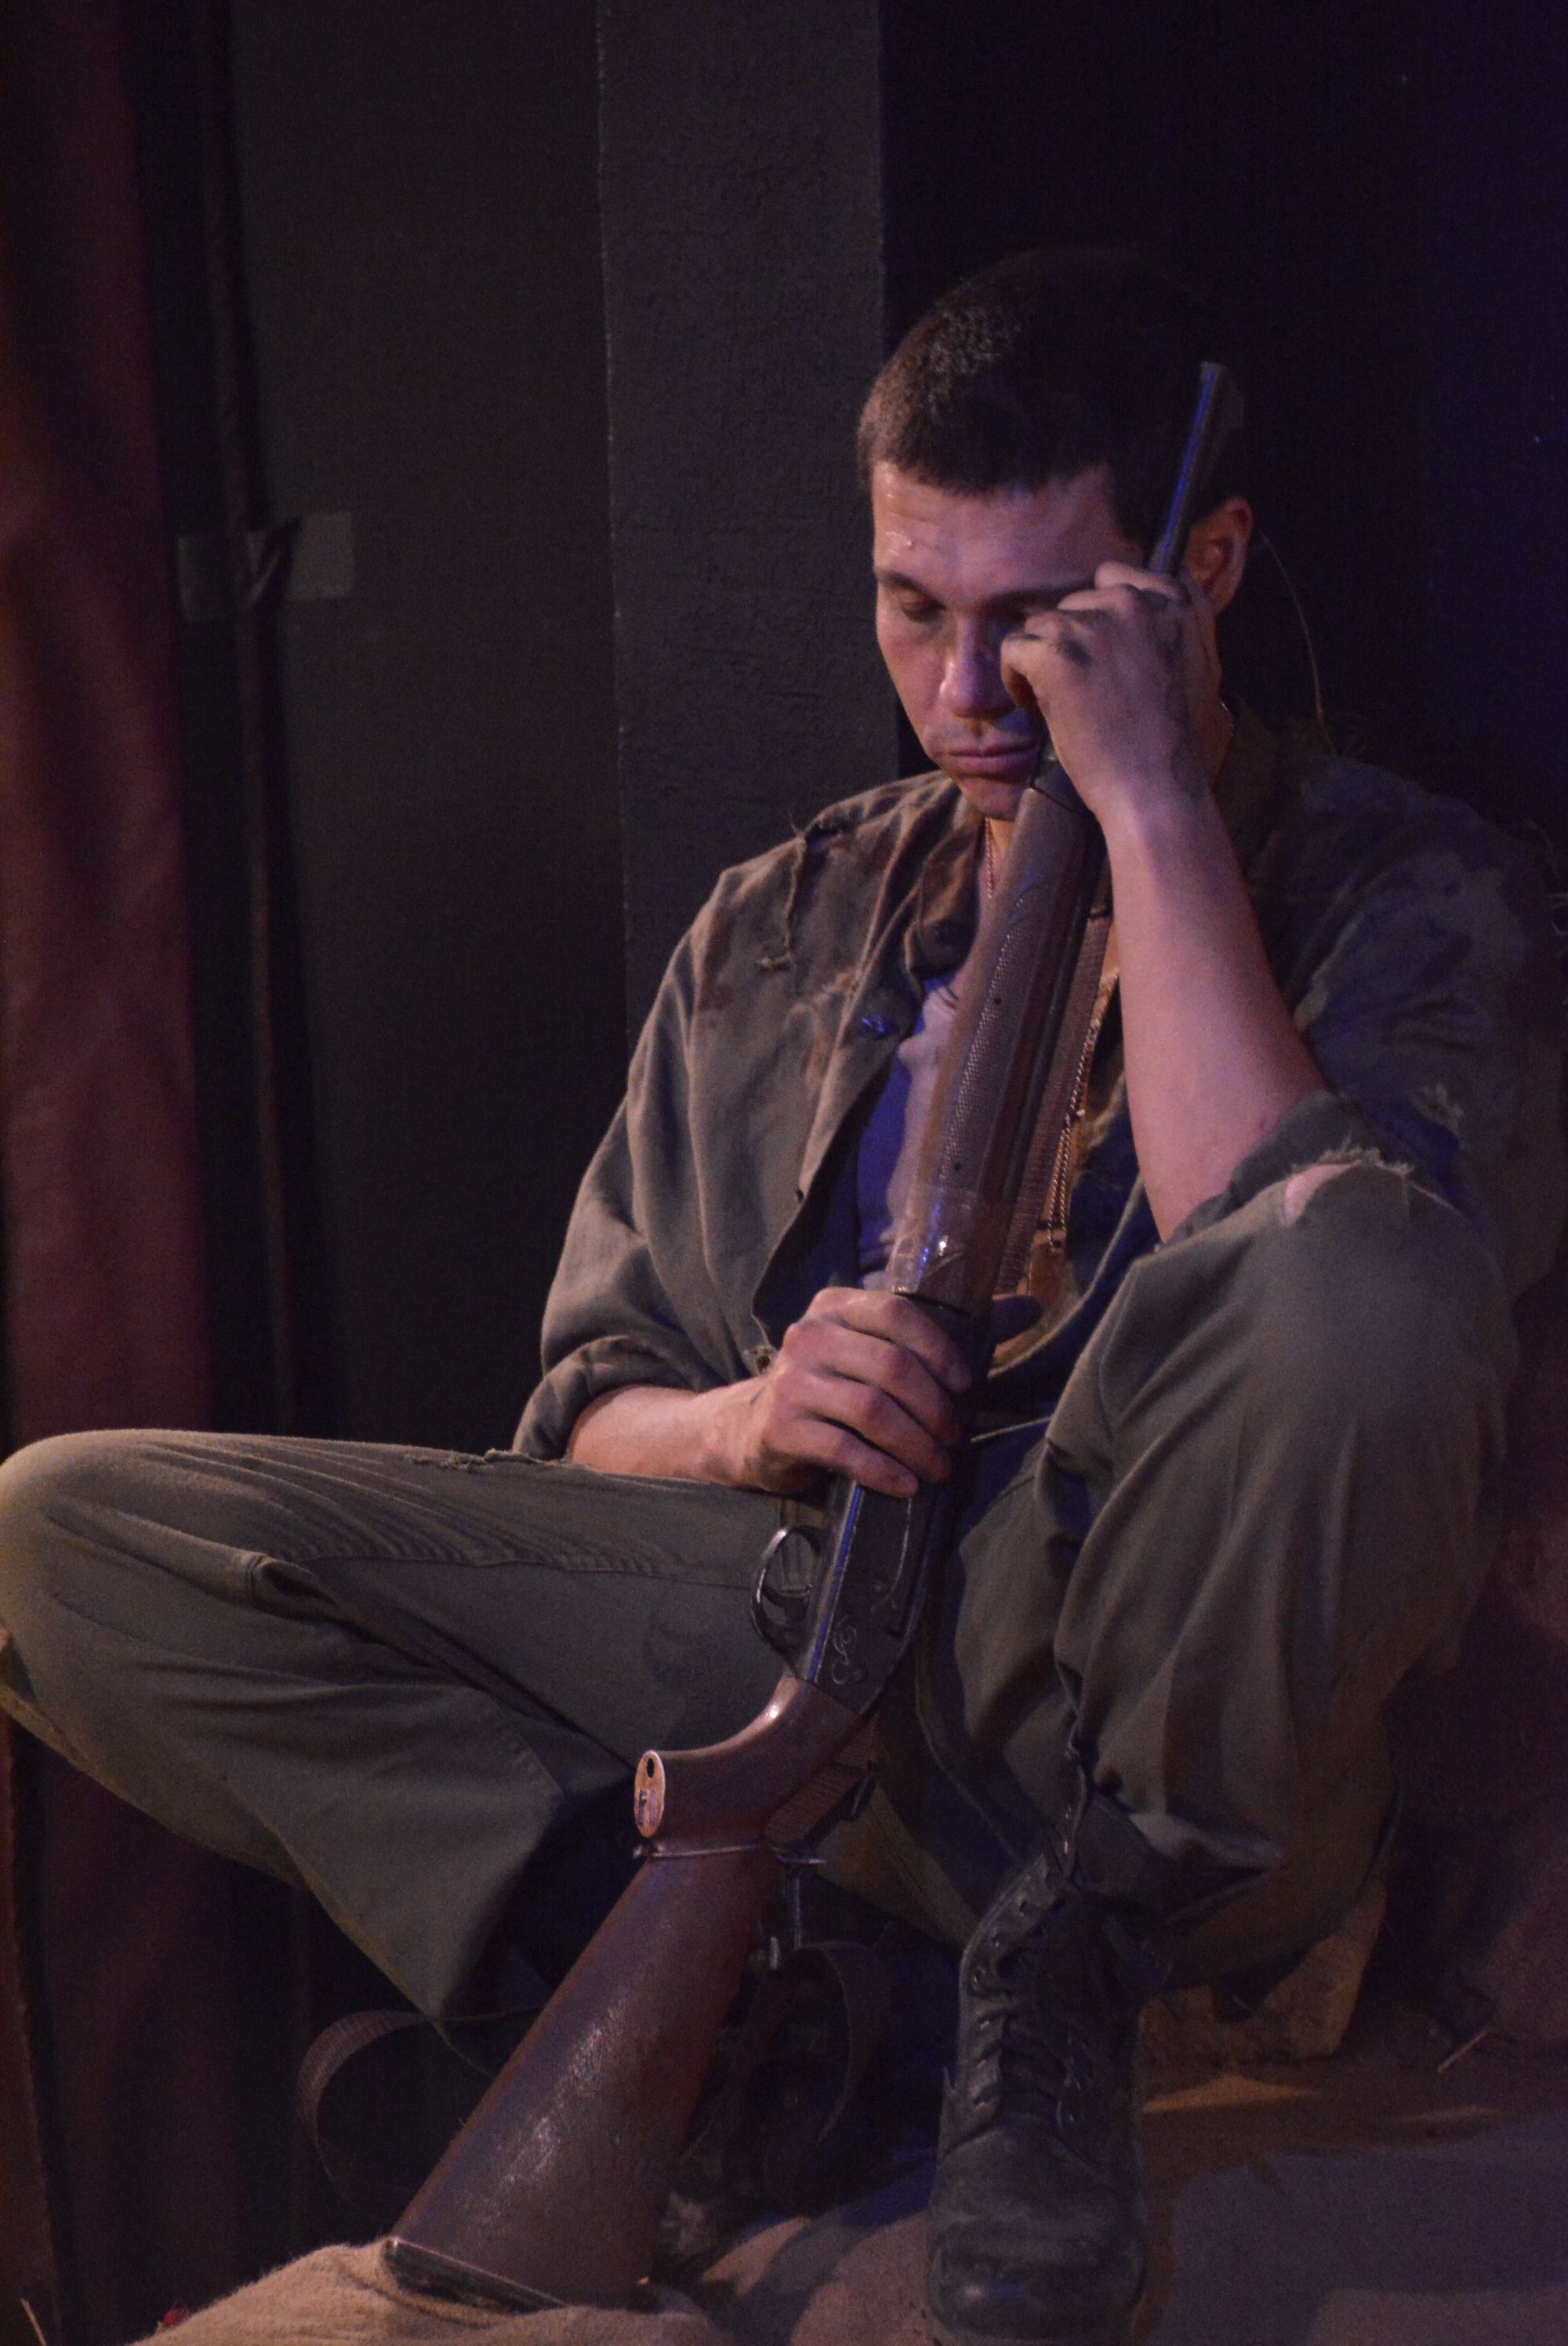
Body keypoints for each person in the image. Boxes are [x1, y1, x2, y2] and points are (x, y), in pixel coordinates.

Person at [0, 249, 1560, 2346]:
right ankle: (762, 2037)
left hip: (1145, 1700)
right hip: (790, 1622)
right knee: (65, 1536)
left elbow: (1327, 1297)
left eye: (1039, 623)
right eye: (915, 609)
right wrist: (752, 1421)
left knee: (1352, 1264)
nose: (966, 689)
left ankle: (1056, 1966)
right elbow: (588, 1413)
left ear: (1200, 571)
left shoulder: (1415, 892)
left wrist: (1146, 803)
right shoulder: (791, 916)